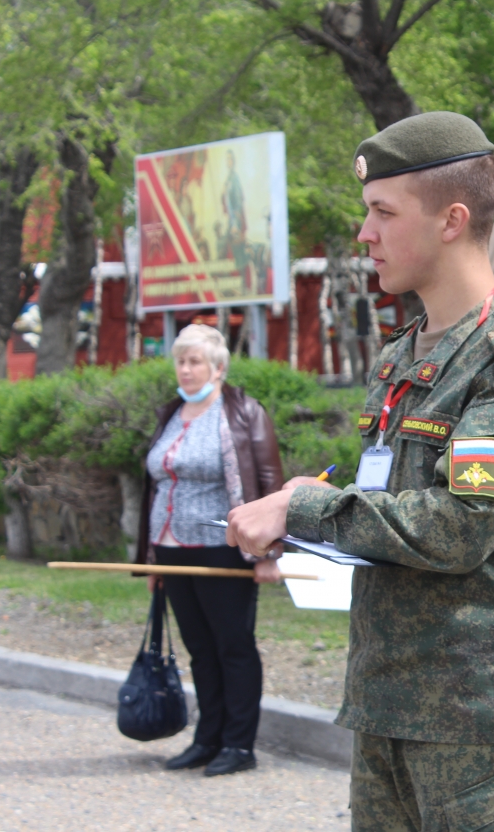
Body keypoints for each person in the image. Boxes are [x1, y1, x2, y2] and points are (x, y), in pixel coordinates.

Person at [224, 112, 494, 831]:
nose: (365, 234)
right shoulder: (403, 356)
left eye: (383, 213)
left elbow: (461, 522)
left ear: (452, 220)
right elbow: (391, 505)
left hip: (476, 716)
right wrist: (312, 531)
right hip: (388, 697)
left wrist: (303, 508)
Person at [136, 323, 284, 776]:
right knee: (199, 648)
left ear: (218, 368)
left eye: (194, 361)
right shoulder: (171, 413)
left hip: (222, 549)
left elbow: (268, 484)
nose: (185, 369)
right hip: (171, 549)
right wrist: (153, 560)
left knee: (232, 646)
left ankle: (238, 745)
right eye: (180, 361)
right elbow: (156, 486)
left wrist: (269, 553)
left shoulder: (242, 412)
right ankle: (207, 739)